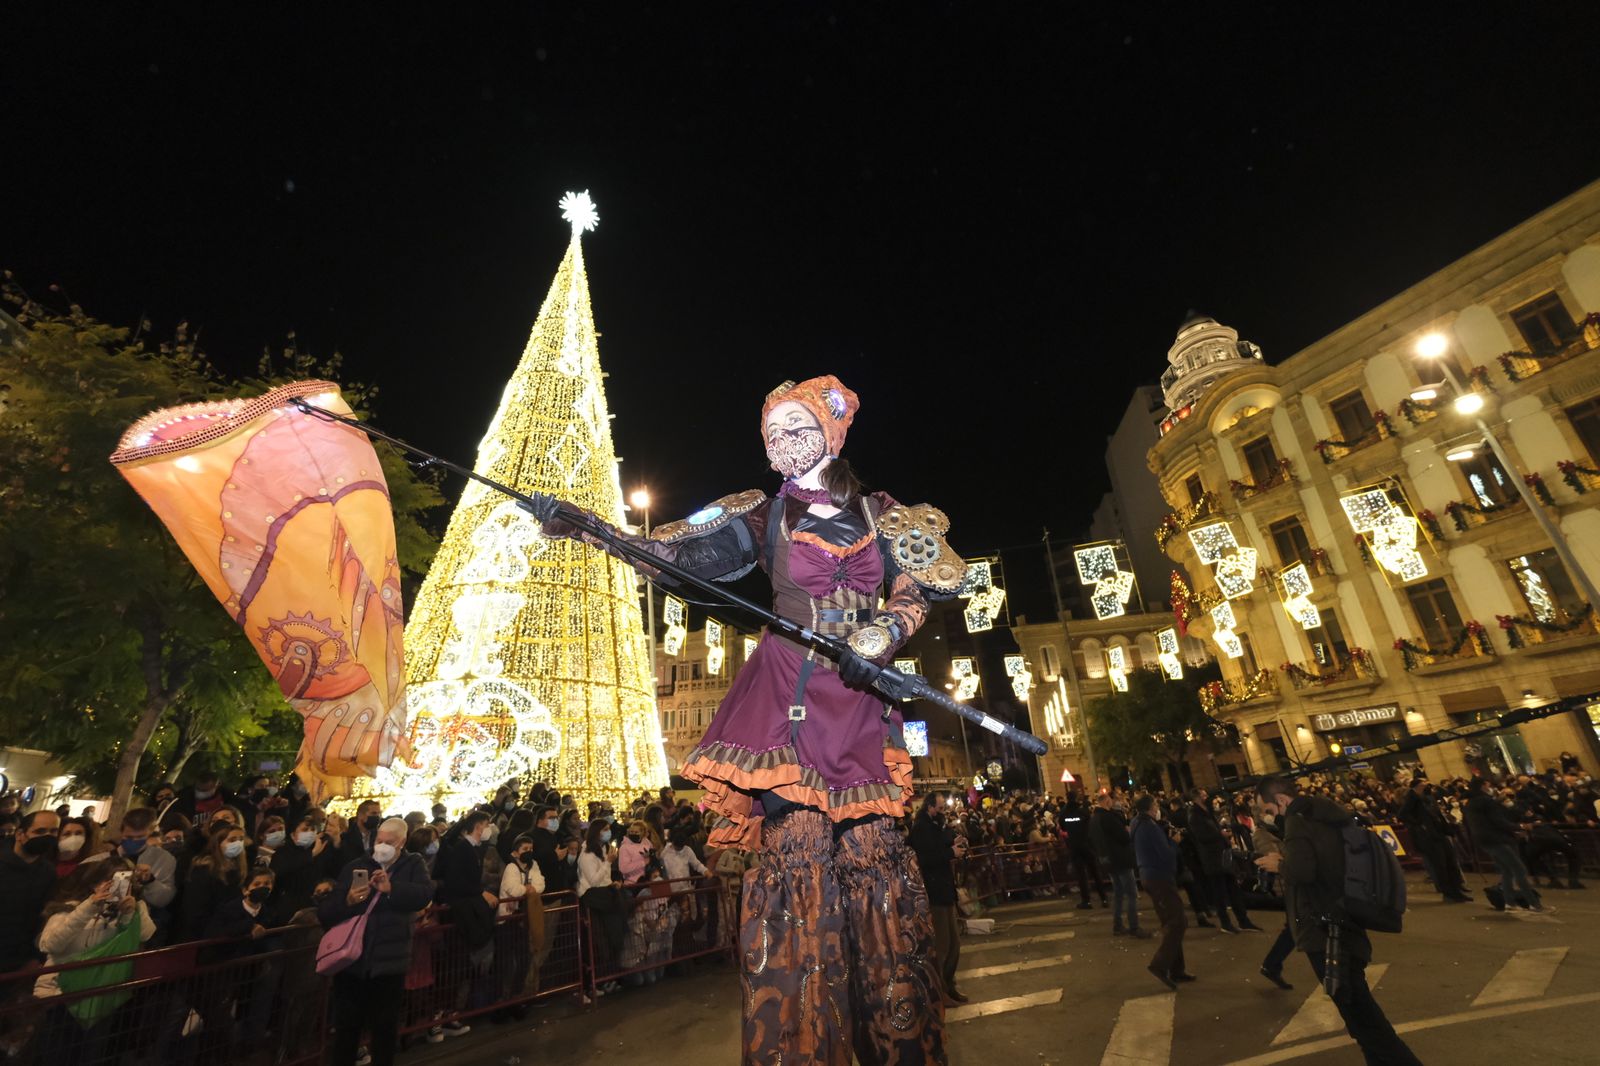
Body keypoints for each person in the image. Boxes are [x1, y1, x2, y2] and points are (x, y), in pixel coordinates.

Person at [536, 374, 951, 1061]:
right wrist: (594, 529)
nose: (782, 441)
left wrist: (881, 636)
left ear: (833, 433)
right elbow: (676, 552)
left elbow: (930, 580)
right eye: (772, 433)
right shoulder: (761, 514)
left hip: (858, 697)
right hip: (788, 692)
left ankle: (893, 1037)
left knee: (873, 862)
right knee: (799, 855)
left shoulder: (884, 511)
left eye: (797, 427)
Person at [1256, 776, 1421, 1066]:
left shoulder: (1297, 822)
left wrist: (1278, 864)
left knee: (1364, 1020)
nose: (1266, 816)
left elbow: (1304, 872)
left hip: (1325, 930)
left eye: (1266, 809)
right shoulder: (1326, 814)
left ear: (1281, 801)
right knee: (1360, 1018)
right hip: (1347, 918)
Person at [319, 817, 434, 1066]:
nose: (381, 845)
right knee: (347, 1030)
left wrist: (392, 889)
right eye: (379, 840)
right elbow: (327, 912)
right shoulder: (356, 866)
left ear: (402, 842)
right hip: (352, 962)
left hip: (389, 963)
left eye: (388, 842)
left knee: (384, 1030)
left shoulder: (413, 864)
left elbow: (423, 895)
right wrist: (348, 901)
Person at [909, 791, 968, 1004]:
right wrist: (950, 852)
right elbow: (924, 859)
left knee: (954, 943)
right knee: (942, 945)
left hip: (945, 890)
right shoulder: (922, 829)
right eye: (941, 807)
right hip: (935, 892)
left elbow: (942, 845)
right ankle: (940, 992)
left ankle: (949, 984)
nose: (943, 811)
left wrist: (955, 841)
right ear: (930, 807)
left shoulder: (938, 825)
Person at [1131, 793, 1190, 991]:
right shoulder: (1149, 827)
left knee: (1171, 921)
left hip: (1149, 875)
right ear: (1150, 808)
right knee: (1178, 921)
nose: (1158, 808)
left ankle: (1177, 969)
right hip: (1159, 877)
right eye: (1156, 805)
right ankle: (1160, 964)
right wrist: (1174, 842)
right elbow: (1164, 853)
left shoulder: (1137, 824)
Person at [1464, 776, 1541, 910]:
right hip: (1497, 839)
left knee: (1507, 871)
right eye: (1487, 785)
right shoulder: (1486, 801)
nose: (1490, 788)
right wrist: (1521, 826)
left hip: (1484, 840)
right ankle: (1533, 903)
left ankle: (1510, 902)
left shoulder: (1471, 802)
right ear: (1483, 786)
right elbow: (1498, 821)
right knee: (1519, 870)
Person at [1, 811, 59, 974]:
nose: (47, 837)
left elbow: (44, 916)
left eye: (53, 832)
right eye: (40, 831)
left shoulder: (48, 872)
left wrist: (35, 957)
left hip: (21, 958)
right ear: (20, 834)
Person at [1398, 779, 1469, 903]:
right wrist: (1419, 824)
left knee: (1450, 861)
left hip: (1439, 832)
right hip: (1429, 836)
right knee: (1440, 864)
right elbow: (1402, 815)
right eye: (1423, 783)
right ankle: (1448, 892)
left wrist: (1448, 829)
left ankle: (1456, 888)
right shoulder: (1412, 798)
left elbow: (1437, 815)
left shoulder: (1428, 798)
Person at [179, 823, 251, 940]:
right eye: (232, 840)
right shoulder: (204, 869)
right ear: (218, 843)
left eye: (241, 839)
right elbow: (196, 909)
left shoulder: (237, 867)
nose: (238, 843)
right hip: (209, 933)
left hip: (229, 930)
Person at [1091, 791, 1146, 939]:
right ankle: (1134, 926)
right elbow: (1123, 837)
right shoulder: (1108, 818)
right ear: (1107, 801)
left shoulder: (1094, 819)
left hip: (1108, 861)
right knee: (1131, 894)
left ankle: (1118, 925)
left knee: (1119, 894)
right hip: (1120, 859)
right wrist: (1127, 832)